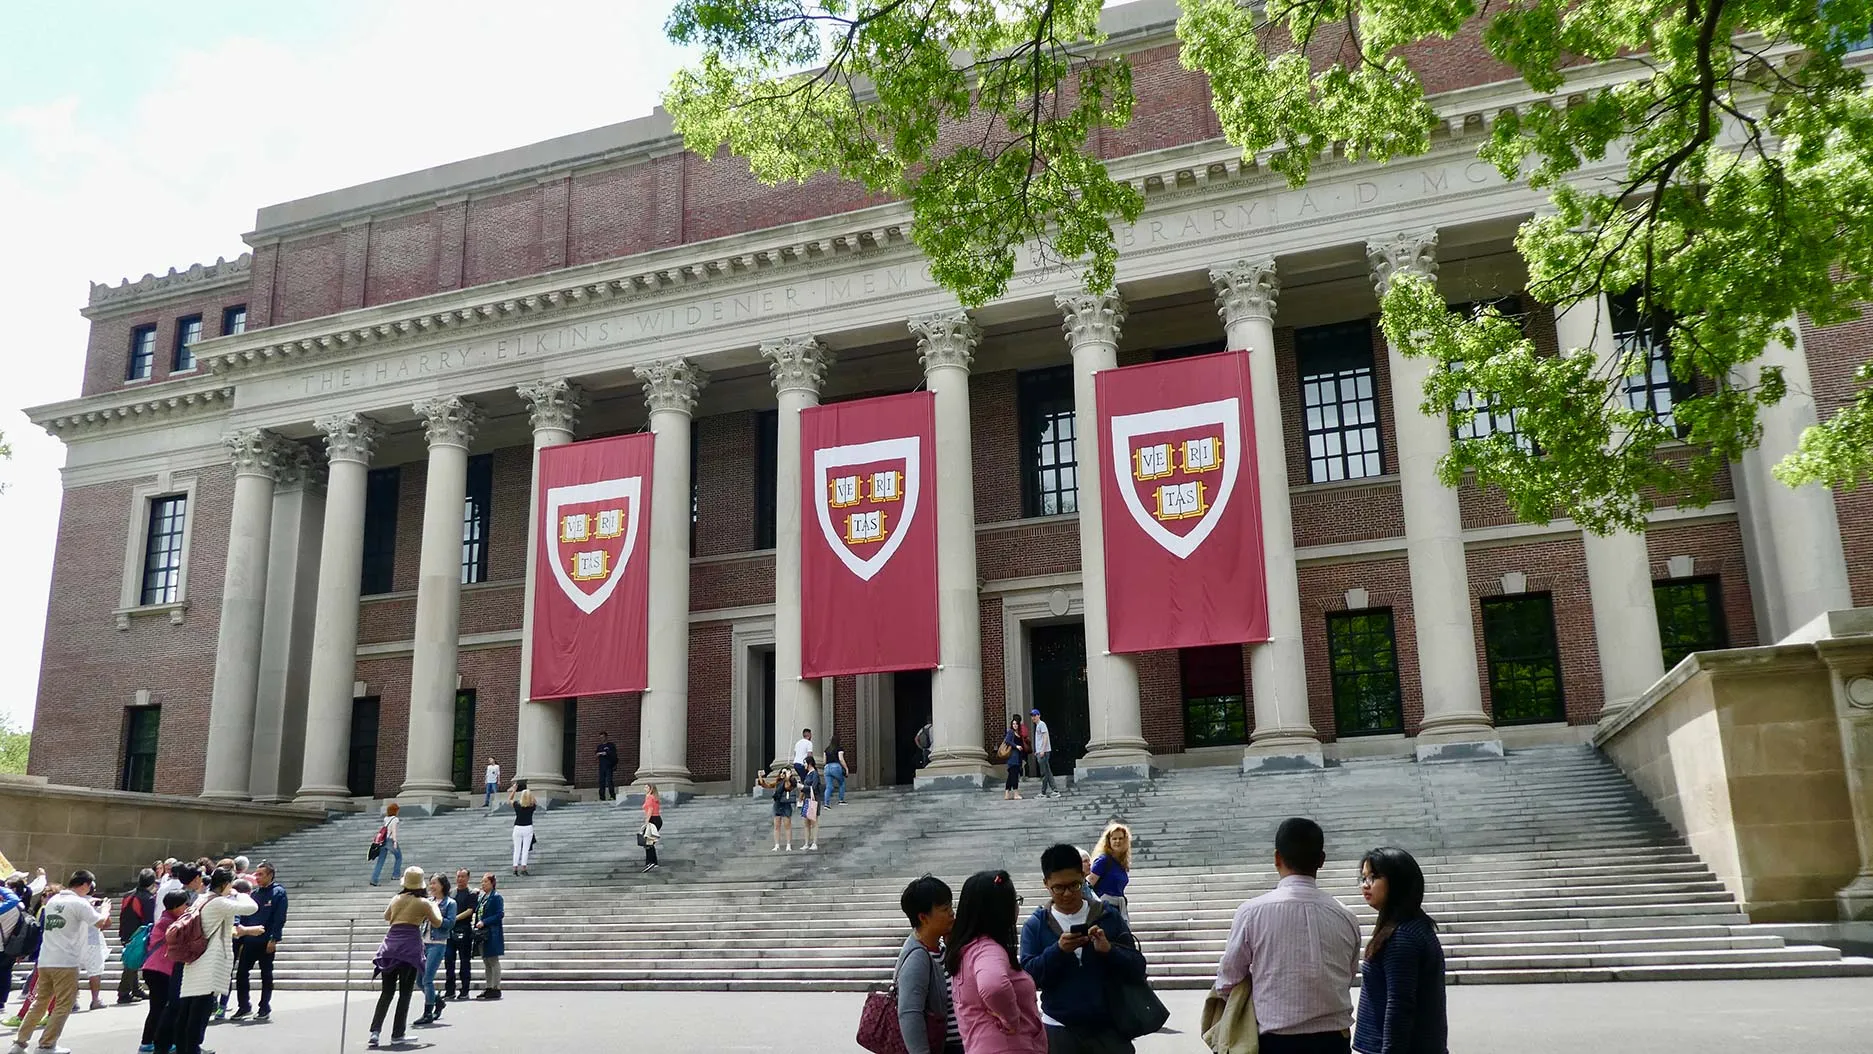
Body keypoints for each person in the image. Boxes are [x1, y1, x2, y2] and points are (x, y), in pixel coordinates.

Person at [1214, 817, 1361, 1054]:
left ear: (1276, 858)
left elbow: (1227, 980)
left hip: (1276, 1041)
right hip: (1334, 1041)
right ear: (1321, 860)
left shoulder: (1252, 912)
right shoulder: (1345, 916)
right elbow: (1348, 973)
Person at [1019, 844, 1147, 1053]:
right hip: (1059, 1029)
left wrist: (1109, 950)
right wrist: (1058, 951)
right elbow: (1028, 978)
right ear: (1046, 884)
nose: (1068, 894)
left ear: (1084, 877)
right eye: (1058, 888)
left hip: (1109, 1028)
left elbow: (1137, 967)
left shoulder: (1107, 916)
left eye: (1075, 885)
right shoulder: (1036, 925)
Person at [1353, 848, 1446, 1054]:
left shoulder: (1402, 937)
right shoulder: (1411, 926)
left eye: (1374, 877)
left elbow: (1400, 1006)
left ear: (1398, 882)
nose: (1365, 885)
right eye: (1363, 877)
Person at [8, 870, 108, 1054]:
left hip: (46, 960)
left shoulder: (53, 900)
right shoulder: (79, 903)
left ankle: (20, 1043)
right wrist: (105, 910)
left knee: (40, 1002)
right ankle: (47, 1044)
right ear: (86, 885)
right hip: (66, 962)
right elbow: (101, 923)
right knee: (64, 1003)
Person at [948, 870, 1046, 1054]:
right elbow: (994, 986)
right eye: (1014, 901)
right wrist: (1011, 1018)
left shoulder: (969, 949)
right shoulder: (988, 950)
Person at [173, 867, 257, 1054]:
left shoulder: (202, 898)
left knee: (188, 1008)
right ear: (226, 884)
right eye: (230, 885)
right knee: (200, 1010)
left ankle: (184, 1047)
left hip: (195, 958)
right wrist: (239, 893)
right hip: (208, 961)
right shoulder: (218, 902)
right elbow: (252, 907)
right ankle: (192, 1048)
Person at [370, 867, 442, 1048]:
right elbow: (438, 922)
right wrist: (433, 905)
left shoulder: (396, 899)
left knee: (386, 992)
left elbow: (387, 916)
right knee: (405, 993)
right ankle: (398, 1033)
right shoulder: (423, 902)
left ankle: (375, 1032)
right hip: (409, 949)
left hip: (389, 946)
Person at [895, 875, 962, 1054]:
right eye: (945, 908)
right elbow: (910, 1014)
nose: (952, 913)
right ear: (923, 918)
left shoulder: (939, 948)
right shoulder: (917, 957)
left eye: (951, 906)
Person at [232, 861, 286, 1021]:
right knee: (241, 973)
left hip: (266, 940)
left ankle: (264, 1007)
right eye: (256, 874)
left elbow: (279, 918)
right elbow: (245, 916)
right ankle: (244, 1006)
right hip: (249, 940)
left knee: (266, 974)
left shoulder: (278, 893)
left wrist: (274, 939)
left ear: (270, 875)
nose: (257, 877)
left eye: (261, 874)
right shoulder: (254, 894)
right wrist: (241, 938)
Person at [140, 889, 189, 1054]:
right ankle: (152, 1043)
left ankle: (150, 1042)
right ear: (175, 906)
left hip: (155, 969)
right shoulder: (168, 922)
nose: (187, 907)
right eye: (185, 904)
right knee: (161, 1008)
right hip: (159, 970)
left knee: (159, 1007)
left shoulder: (167, 919)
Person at [415, 874, 457, 1026]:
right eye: (430, 883)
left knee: (427, 978)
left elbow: (451, 923)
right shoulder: (428, 902)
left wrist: (435, 919)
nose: (431, 886)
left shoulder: (450, 903)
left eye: (434, 883)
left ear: (442, 885)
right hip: (423, 942)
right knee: (419, 980)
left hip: (438, 943)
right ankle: (438, 1002)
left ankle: (427, 1013)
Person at [116, 868, 157, 1004]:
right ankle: (123, 992)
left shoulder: (128, 895)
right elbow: (148, 920)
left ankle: (136, 989)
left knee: (131, 961)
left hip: (125, 931)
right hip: (138, 933)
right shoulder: (148, 898)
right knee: (131, 964)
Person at [1090, 823, 1134, 921]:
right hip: (1104, 911)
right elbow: (1088, 886)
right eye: (1114, 839)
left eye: (1120, 838)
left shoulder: (1121, 864)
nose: (1117, 841)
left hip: (1118, 909)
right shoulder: (1103, 861)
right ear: (1108, 841)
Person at [445, 869, 478, 1000]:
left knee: (464, 961)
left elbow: (470, 910)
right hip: (450, 931)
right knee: (449, 961)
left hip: (464, 929)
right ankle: (450, 990)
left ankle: (464, 990)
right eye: (458, 876)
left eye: (463, 877)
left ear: (468, 878)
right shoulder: (451, 893)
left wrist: (454, 918)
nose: (460, 879)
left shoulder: (471, 893)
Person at [472, 873, 505, 1000]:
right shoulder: (482, 897)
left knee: (493, 960)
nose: (483, 884)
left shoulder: (496, 897)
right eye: (482, 882)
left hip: (491, 932)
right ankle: (489, 986)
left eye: (485, 882)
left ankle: (496, 987)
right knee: (486, 961)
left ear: (492, 883)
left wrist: (485, 922)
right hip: (482, 934)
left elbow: (499, 914)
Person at [757, 766, 799, 851]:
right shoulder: (778, 782)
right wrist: (760, 776)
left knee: (787, 825)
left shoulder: (792, 781)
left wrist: (788, 778)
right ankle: (777, 845)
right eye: (782, 772)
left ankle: (788, 844)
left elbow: (788, 787)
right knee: (776, 825)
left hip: (786, 804)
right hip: (778, 803)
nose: (782, 774)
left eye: (785, 772)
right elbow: (767, 785)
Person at [370, 802, 403, 886]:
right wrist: (395, 841)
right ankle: (396, 875)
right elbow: (393, 830)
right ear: (395, 811)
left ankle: (374, 879)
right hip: (390, 840)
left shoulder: (386, 819)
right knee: (399, 857)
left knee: (380, 861)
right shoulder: (395, 819)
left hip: (383, 841)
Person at [508, 781, 538, 876]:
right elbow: (535, 801)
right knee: (525, 849)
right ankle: (524, 868)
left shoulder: (517, 805)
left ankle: (515, 868)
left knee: (517, 849)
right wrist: (529, 793)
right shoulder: (531, 806)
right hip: (528, 827)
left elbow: (509, 800)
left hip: (517, 828)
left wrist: (514, 790)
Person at [1029, 710, 1060, 798]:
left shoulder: (1041, 724)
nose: (1033, 717)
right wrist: (1038, 751)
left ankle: (1043, 792)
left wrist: (1042, 750)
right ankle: (1055, 790)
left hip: (1044, 752)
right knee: (1047, 771)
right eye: (1032, 716)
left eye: (1035, 715)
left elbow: (1045, 737)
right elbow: (1040, 739)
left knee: (1044, 772)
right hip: (1041, 751)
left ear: (1039, 715)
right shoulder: (1039, 725)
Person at [800, 756, 824, 851]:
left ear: (809, 763)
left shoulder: (815, 774)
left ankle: (814, 842)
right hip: (807, 798)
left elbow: (813, 787)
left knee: (814, 822)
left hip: (814, 799)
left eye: (805, 763)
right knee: (806, 822)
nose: (804, 765)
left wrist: (802, 787)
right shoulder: (808, 774)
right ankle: (806, 843)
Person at [1000, 716, 1026, 800]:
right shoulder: (1011, 732)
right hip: (1013, 757)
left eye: (1016, 724)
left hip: (1017, 758)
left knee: (1011, 776)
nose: (1014, 725)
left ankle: (1007, 794)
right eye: (1013, 724)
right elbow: (1007, 741)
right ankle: (1015, 794)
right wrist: (1016, 746)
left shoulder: (1019, 734)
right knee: (1014, 776)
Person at [640, 784, 664, 873]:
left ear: (651, 789)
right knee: (649, 841)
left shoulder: (650, 797)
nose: (644, 788)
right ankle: (653, 861)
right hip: (657, 819)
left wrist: (646, 823)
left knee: (648, 842)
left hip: (653, 819)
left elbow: (650, 810)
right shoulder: (654, 797)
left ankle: (650, 861)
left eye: (646, 787)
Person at [824, 739, 850, 805]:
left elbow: (824, 761)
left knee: (829, 786)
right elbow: (841, 759)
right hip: (835, 766)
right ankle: (841, 800)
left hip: (827, 767)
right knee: (841, 783)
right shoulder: (839, 748)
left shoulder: (827, 749)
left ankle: (826, 804)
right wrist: (846, 768)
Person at [596, 733, 619, 801]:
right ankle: (602, 797)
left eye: (603, 737)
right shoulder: (599, 746)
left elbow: (613, 754)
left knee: (609, 781)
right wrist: (599, 754)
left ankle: (612, 795)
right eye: (600, 737)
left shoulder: (610, 745)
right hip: (601, 766)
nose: (602, 739)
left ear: (606, 737)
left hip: (609, 766)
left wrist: (605, 753)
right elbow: (596, 753)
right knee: (601, 781)